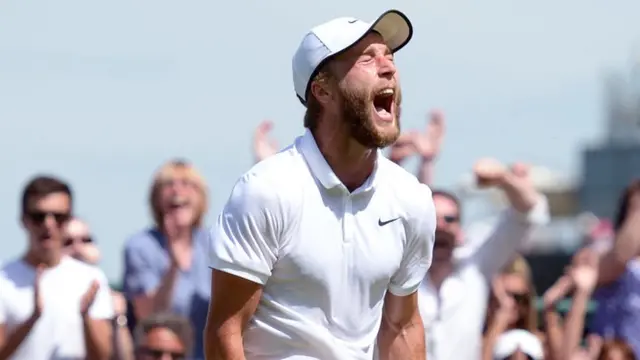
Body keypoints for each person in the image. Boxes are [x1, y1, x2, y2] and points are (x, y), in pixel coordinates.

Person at [205, 9, 435, 360]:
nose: (389, 67)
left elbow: (401, 326)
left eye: (389, 56)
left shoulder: (411, 199)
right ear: (323, 90)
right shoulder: (266, 190)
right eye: (367, 58)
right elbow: (226, 331)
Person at [418, 160, 549, 360]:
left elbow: (526, 214)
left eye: (449, 219)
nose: (441, 226)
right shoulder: (397, 271)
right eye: (433, 219)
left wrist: (504, 179)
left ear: (460, 230)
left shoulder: (475, 266)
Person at [0, 175, 114, 360]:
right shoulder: (3, 279)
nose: (48, 224)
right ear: (23, 220)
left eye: (59, 217)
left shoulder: (90, 279)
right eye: (39, 217)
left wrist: (85, 318)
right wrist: (32, 319)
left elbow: (103, 356)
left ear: (69, 220)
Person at [123, 159, 211, 358]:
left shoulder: (213, 244)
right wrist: (173, 268)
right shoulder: (140, 246)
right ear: (156, 197)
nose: (177, 191)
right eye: (169, 184)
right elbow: (150, 317)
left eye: (188, 184)